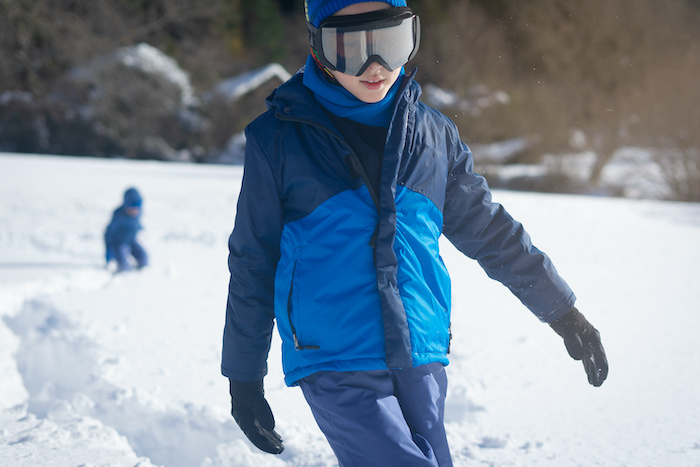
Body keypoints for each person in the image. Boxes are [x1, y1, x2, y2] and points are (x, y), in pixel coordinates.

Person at [221, 1, 609, 465]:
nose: (375, 67)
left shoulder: (433, 136)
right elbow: (253, 261)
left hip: (420, 348)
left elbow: (491, 231)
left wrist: (562, 311)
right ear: (318, 46)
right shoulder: (278, 140)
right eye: (351, 48)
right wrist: (244, 376)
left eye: (390, 44)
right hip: (335, 355)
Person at [104, 187, 148, 273]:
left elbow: (135, 225)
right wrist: (110, 251)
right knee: (123, 262)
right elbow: (109, 234)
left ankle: (143, 270)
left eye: (136, 208)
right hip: (119, 243)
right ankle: (123, 272)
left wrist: (140, 228)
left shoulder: (137, 215)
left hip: (131, 241)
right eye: (131, 208)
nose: (134, 211)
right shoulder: (119, 216)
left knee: (143, 256)